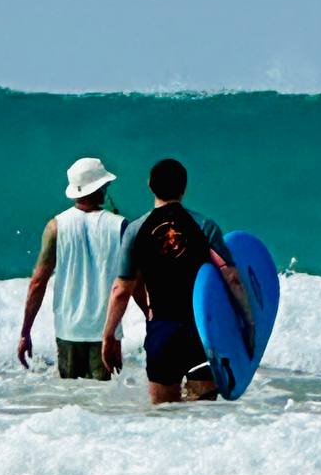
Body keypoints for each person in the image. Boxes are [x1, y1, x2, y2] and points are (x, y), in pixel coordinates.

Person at [101, 158, 254, 404]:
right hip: (201, 334)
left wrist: (109, 337)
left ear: (150, 185)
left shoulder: (136, 230)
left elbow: (121, 290)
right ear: (184, 188)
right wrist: (248, 321)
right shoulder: (205, 227)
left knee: (164, 417)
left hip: (162, 333)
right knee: (201, 416)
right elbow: (232, 277)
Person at [18, 156, 130, 380]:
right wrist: (150, 317)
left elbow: (37, 283)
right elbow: (134, 283)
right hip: (106, 331)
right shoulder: (121, 226)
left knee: (72, 397)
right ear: (100, 188)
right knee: (105, 402)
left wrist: (25, 332)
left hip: (68, 329)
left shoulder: (55, 226)